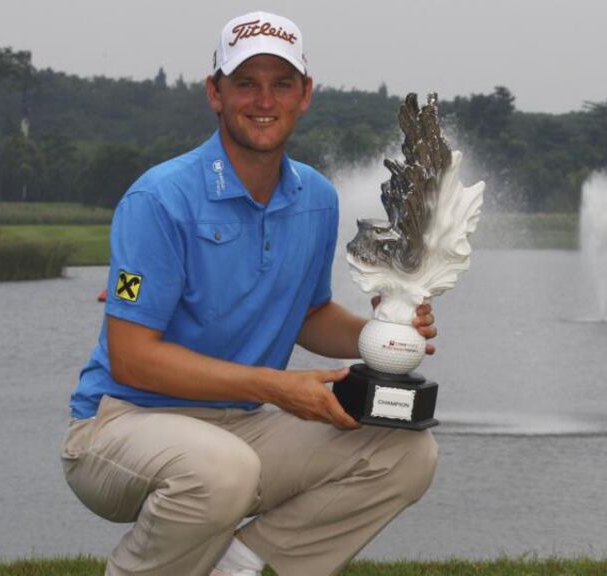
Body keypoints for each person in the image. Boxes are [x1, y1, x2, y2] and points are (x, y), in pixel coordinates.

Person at [61, 11, 439, 576]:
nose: (264, 100)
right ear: (215, 93)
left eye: (281, 83)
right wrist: (278, 388)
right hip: (119, 424)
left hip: (239, 425)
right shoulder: (160, 198)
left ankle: (236, 569)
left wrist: (380, 334)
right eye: (246, 83)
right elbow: (132, 357)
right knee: (223, 470)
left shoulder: (316, 197)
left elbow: (308, 314)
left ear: (305, 94)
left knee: (407, 453)